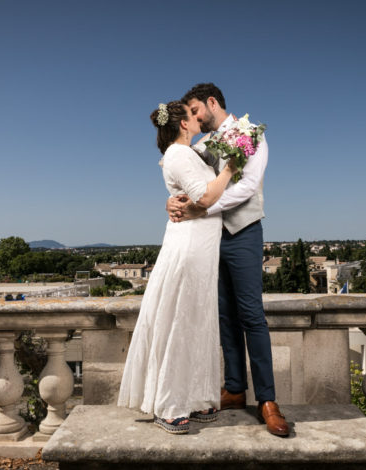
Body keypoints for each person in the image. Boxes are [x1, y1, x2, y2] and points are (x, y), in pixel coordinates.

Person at [166, 83, 289, 437]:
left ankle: (267, 400)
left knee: (251, 315)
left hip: (244, 234)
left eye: (194, 112)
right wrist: (172, 202)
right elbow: (188, 183)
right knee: (223, 316)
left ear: (211, 102)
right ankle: (234, 388)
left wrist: (199, 209)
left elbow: (248, 186)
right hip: (209, 238)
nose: (192, 120)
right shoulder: (201, 145)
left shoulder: (252, 135)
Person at [117, 100, 237, 435]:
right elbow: (204, 197)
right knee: (182, 320)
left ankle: (196, 396)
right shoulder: (178, 154)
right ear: (183, 123)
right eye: (192, 115)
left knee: (196, 320)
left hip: (201, 245)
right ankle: (169, 405)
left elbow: (185, 192)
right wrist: (231, 169)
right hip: (189, 246)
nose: (198, 118)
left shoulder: (189, 152)